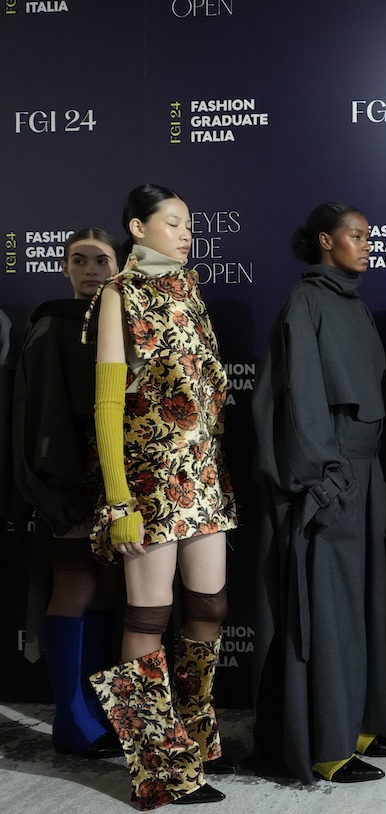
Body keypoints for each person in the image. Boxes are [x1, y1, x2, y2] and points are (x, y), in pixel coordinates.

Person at [85, 184, 237, 809]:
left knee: (210, 607)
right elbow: (108, 402)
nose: (185, 233)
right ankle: (156, 764)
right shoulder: (120, 294)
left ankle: (192, 742)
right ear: (137, 228)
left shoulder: (190, 292)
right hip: (147, 484)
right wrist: (119, 501)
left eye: (189, 225)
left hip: (202, 478)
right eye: (172, 223)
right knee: (147, 616)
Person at [249, 202, 386, 785]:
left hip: (364, 477)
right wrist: (322, 478)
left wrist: (383, 476)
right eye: (357, 235)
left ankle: (361, 725)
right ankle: (327, 744)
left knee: (365, 603)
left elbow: (378, 398)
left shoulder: (354, 304)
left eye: (370, 236)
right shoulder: (306, 303)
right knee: (330, 609)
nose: (368, 244)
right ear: (325, 240)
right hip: (330, 479)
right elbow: (298, 400)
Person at [13, 228, 123, 759]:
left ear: (117, 266)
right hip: (69, 479)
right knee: (76, 586)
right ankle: (72, 721)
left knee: (107, 591)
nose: (90, 270)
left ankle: (99, 712)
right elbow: (39, 414)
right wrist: (58, 486)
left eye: (100, 260)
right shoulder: (52, 321)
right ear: (63, 267)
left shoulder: (126, 318)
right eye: (78, 260)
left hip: (120, 479)